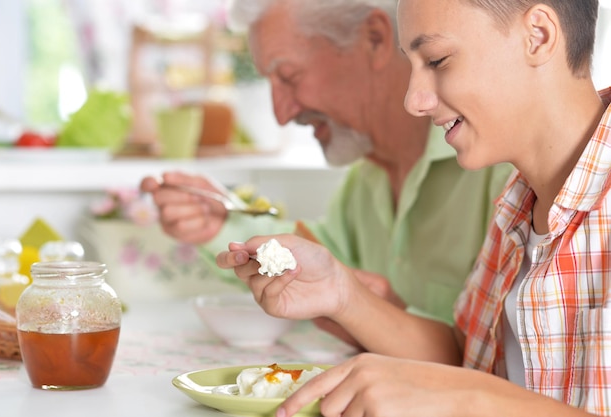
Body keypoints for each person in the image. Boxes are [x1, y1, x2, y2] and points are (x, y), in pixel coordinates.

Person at [216, 0, 611, 416]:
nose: (414, 101)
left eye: (438, 60)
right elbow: (469, 357)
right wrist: (342, 294)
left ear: (539, 36)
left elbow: (475, 390)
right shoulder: (517, 204)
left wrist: (467, 399)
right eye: (412, 66)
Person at [141, 0, 512, 343]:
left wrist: (379, 319)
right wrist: (220, 226)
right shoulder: (365, 180)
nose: (280, 114)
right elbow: (322, 260)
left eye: (288, 76)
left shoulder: (505, 172)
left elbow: (503, 366)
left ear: (375, 39)